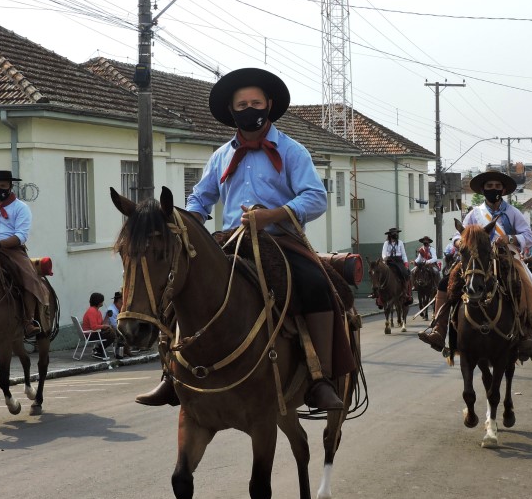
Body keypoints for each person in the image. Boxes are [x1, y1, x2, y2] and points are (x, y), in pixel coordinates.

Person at [135, 67, 351, 412]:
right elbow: (200, 198)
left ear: (268, 105)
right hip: (229, 239)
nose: (250, 108)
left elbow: (315, 198)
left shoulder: (293, 151)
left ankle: (319, 378)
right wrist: (190, 220)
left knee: (316, 285)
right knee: (179, 286)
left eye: (255, 102)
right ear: (232, 111)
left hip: (280, 241)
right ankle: (171, 374)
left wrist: (273, 214)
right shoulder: (221, 155)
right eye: (242, 104)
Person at [419, 170, 532, 351]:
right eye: (489, 186)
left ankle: (525, 333)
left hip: (505, 257)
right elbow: (458, 235)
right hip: (476, 259)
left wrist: (509, 238)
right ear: (483, 190)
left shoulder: (513, 212)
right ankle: (439, 330)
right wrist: (459, 242)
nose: (493, 189)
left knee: (524, 284)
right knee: (445, 283)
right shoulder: (475, 213)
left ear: (503, 190)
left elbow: (528, 236)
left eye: (497, 186)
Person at [0, 169, 48, 338]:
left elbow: (21, 236)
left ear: (10, 186)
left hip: (13, 252)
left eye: (2, 186)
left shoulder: (21, 208)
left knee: (29, 278)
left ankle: (28, 321)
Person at [82, 292, 119, 358]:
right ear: (98, 302)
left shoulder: (98, 311)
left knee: (111, 332)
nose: (103, 302)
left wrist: (107, 316)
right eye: (102, 300)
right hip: (90, 334)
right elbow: (94, 327)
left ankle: (99, 349)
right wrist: (105, 326)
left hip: (95, 332)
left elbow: (102, 324)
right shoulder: (92, 311)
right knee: (112, 335)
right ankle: (99, 350)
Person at [381, 227, 412, 303]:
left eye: (396, 234)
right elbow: (383, 253)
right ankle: (378, 296)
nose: (395, 235)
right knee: (380, 274)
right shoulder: (386, 243)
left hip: (398, 261)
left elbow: (404, 254)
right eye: (393, 234)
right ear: (390, 235)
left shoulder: (400, 243)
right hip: (389, 260)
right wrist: (385, 258)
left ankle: (405, 292)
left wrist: (406, 263)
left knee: (405, 272)